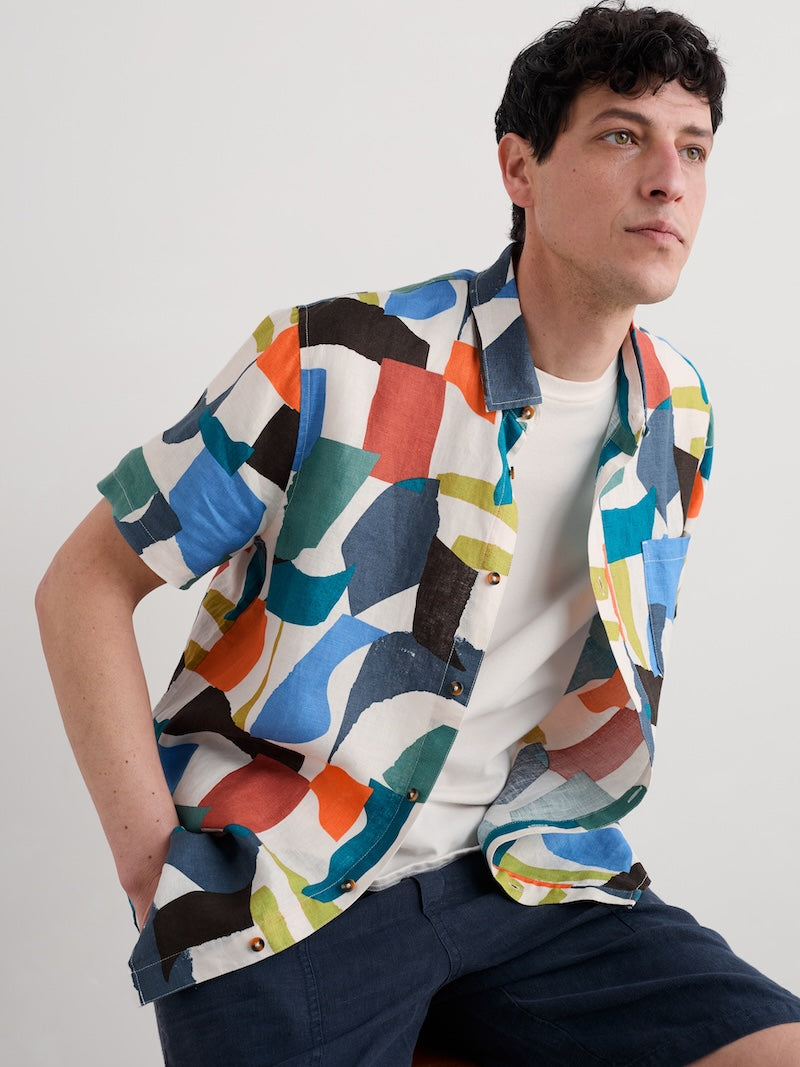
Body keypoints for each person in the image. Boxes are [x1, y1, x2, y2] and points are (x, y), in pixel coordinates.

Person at [35, 3, 800, 1065]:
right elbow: (82, 583)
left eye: (694, 148)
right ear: (519, 168)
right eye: (622, 135)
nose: (668, 179)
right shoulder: (335, 357)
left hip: (528, 877)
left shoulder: (678, 415)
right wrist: (152, 863)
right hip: (291, 893)